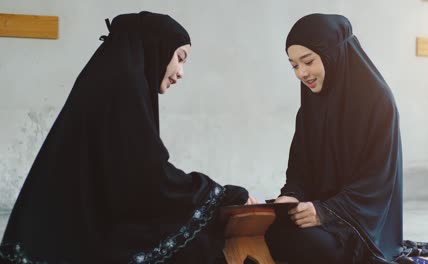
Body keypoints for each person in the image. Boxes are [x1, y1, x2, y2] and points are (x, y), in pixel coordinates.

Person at [0, 11, 253, 264]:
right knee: (204, 243)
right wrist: (221, 195)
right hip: (83, 243)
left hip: (63, 236)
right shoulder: (124, 86)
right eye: (180, 58)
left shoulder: (113, 76)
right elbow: (150, 178)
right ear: (157, 47)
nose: (181, 72)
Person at [265, 14, 403, 264]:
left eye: (308, 61)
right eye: (294, 65)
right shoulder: (309, 109)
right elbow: (299, 171)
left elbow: (376, 185)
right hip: (314, 216)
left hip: (362, 225)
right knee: (262, 231)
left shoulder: (378, 103)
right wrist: (291, 196)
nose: (301, 73)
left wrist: (325, 212)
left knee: (306, 245)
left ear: (334, 54)